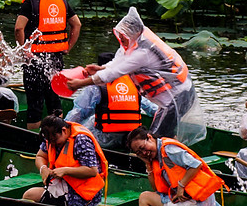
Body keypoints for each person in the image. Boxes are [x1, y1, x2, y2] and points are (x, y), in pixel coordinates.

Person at [67, 7, 195, 140]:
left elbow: (111, 74)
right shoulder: (133, 47)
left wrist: (80, 83)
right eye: (120, 37)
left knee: (157, 138)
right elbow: (116, 63)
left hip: (178, 98)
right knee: (161, 135)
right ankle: (169, 150)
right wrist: (100, 68)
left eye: (123, 38)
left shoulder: (143, 52)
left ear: (132, 35)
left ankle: (169, 158)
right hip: (170, 100)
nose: (121, 41)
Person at [15, 0, 81, 129]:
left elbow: (18, 28)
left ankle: (33, 147)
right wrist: (68, 47)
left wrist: (24, 50)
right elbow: (77, 24)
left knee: (35, 103)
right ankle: (59, 135)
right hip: (57, 57)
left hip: (35, 58)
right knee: (54, 98)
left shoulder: (30, 1)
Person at [127, 127, 225, 206]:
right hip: (188, 204)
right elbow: (157, 189)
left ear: (149, 137)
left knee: (144, 197)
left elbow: (196, 164)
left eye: (142, 148)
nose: (144, 153)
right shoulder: (156, 157)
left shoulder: (168, 149)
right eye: (139, 153)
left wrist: (181, 186)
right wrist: (148, 165)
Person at [65, 52, 158, 149]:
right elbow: (154, 110)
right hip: (131, 139)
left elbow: (79, 113)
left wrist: (63, 128)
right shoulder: (133, 83)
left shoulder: (97, 87)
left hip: (105, 139)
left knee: (87, 119)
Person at [22, 115, 108, 206]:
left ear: (64, 130)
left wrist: (65, 171)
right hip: (62, 185)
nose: (53, 144)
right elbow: (40, 156)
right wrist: (43, 169)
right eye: (50, 141)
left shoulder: (81, 140)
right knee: (29, 195)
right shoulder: (50, 138)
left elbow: (92, 171)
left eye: (55, 141)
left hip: (83, 195)